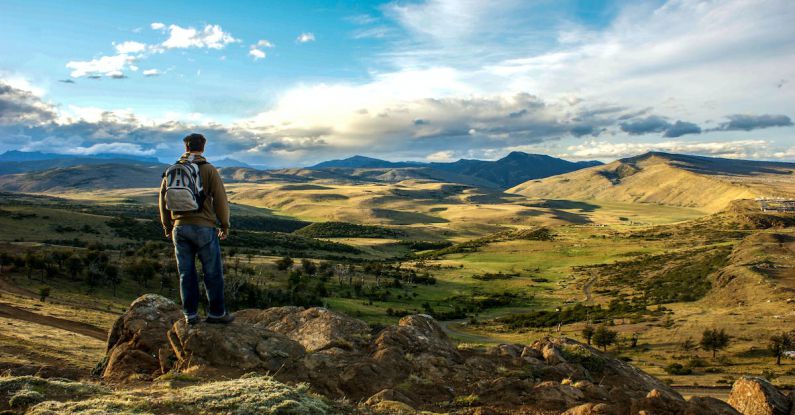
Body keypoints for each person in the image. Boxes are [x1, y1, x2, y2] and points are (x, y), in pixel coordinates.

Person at [159, 133, 234, 325]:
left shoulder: (172, 170)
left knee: (186, 273)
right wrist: (224, 225)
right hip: (204, 228)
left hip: (179, 228)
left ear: (185, 147)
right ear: (203, 147)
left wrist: (168, 226)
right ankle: (217, 314)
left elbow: (162, 200)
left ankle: (190, 315)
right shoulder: (208, 170)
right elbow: (220, 200)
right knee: (212, 272)